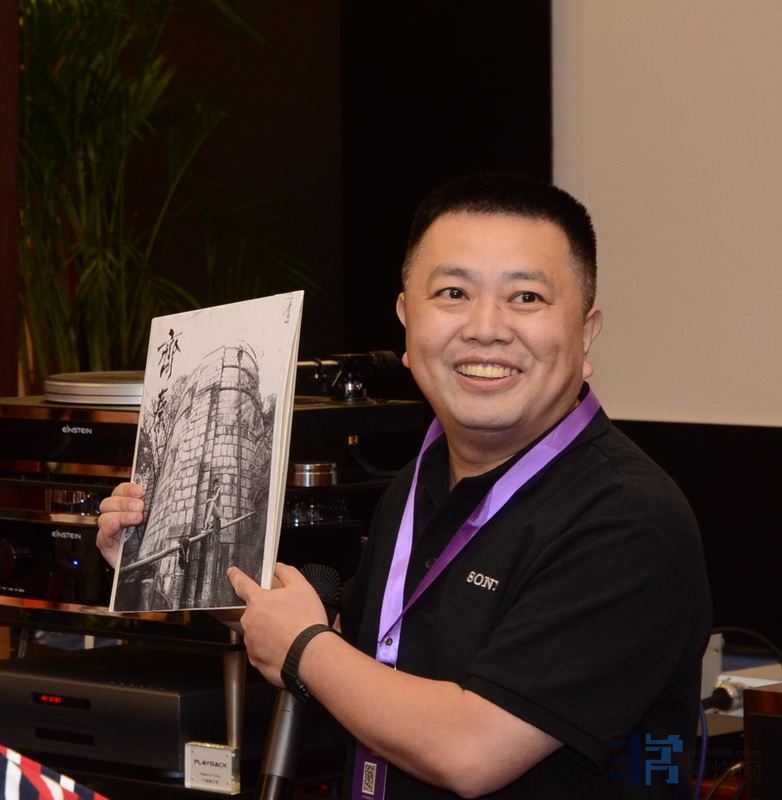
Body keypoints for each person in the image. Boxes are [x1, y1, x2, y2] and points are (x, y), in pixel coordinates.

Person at [98, 173, 712, 799]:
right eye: (453, 293)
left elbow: (472, 749)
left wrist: (305, 647)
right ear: (407, 321)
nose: (486, 328)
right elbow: (361, 661)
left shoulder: (627, 517)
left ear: (585, 334)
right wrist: (165, 563)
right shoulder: (421, 482)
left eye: (526, 297)